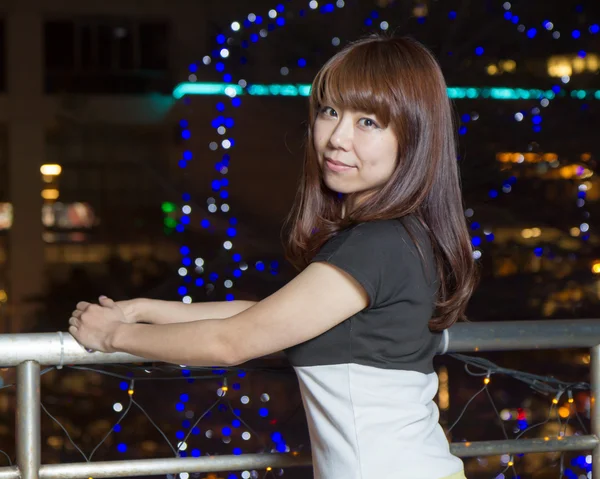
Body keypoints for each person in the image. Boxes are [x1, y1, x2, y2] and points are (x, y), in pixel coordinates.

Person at [69, 35, 477, 479]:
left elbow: (231, 343)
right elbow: (265, 318)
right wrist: (144, 310)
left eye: (369, 122)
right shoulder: (396, 235)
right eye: (331, 111)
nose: (338, 138)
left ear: (413, 137)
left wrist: (113, 337)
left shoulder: (378, 245)